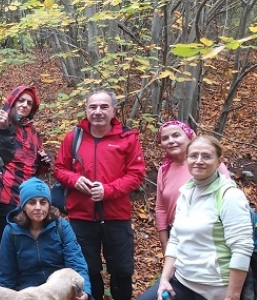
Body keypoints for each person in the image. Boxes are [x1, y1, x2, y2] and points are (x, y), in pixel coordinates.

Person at [54, 89, 145, 300]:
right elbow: (59, 169)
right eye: (92, 107)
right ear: (86, 110)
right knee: (87, 269)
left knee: (121, 270)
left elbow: (136, 174)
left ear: (113, 110)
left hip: (116, 216)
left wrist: (108, 190)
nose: (98, 112)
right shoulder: (73, 137)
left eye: (104, 107)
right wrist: (75, 180)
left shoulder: (127, 138)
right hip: (81, 217)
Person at [137, 135, 253, 300]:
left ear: (218, 162)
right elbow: (175, 239)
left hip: (215, 288)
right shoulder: (187, 192)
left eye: (206, 156)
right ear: (187, 159)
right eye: (193, 155)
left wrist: (232, 296)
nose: (199, 160)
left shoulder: (230, 196)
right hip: (182, 282)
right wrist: (164, 279)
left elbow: (241, 248)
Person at [0, 177, 90, 300]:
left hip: (60, 293)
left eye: (43, 202)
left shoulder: (61, 227)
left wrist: (85, 292)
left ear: (49, 205)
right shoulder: (11, 232)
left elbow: (76, 264)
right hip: (26, 294)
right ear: (23, 206)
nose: (38, 207)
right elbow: (7, 275)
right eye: (32, 202)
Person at [154, 120, 229, 253]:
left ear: (190, 136)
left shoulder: (210, 165)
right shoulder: (164, 170)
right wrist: (166, 244)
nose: (171, 141)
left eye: (176, 135)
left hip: (209, 234)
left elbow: (228, 199)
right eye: (165, 138)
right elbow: (161, 209)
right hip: (176, 235)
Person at [0, 86, 51, 242]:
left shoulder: (34, 133)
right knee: (9, 243)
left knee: (28, 244)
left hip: (28, 197)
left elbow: (36, 170)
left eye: (29, 103)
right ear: (12, 101)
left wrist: (44, 162)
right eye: (21, 100)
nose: (25, 105)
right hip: (4, 195)